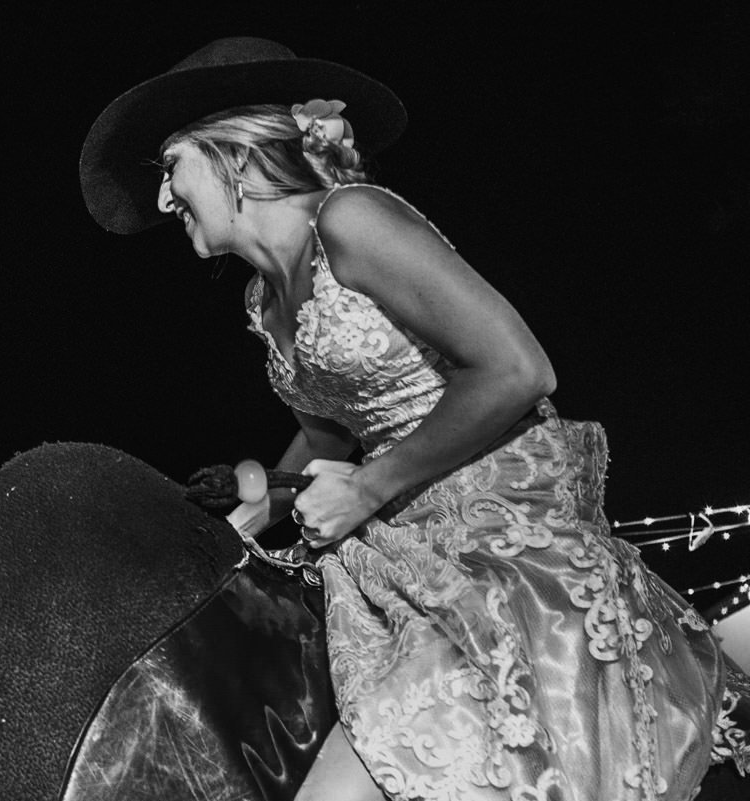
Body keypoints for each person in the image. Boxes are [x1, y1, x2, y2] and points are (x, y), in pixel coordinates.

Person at [80, 37, 750, 801]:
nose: (164, 200)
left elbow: (518, 369)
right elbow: (333, 431)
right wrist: (270, 495)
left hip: (495, 542)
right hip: (396, 543)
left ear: (232, 150)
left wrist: (368, 487)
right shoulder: (262, 298)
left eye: (171, 167)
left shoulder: (352, 220)